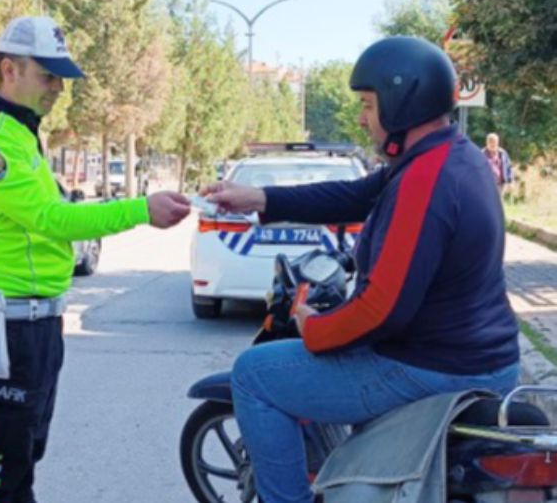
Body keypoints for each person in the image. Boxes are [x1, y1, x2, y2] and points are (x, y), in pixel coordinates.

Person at [202, 36, 520, 503]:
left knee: (254, 374)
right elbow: (355, 195)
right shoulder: (448, 156)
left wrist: (315, 329)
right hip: (484, 357)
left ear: (401, 102)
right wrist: (262, 199)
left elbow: (381, 311)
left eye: (368, 105)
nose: (361, 118)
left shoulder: (426, 183)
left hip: (434, 367)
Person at [0, 16, 191, 503]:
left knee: (23, 457)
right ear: (8, 69)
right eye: (48, 76)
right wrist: (142, 209)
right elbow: (50, 218)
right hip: (3, 327)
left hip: (36, 325)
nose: (58, 88)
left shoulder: (21, 134)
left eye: (60, 78)